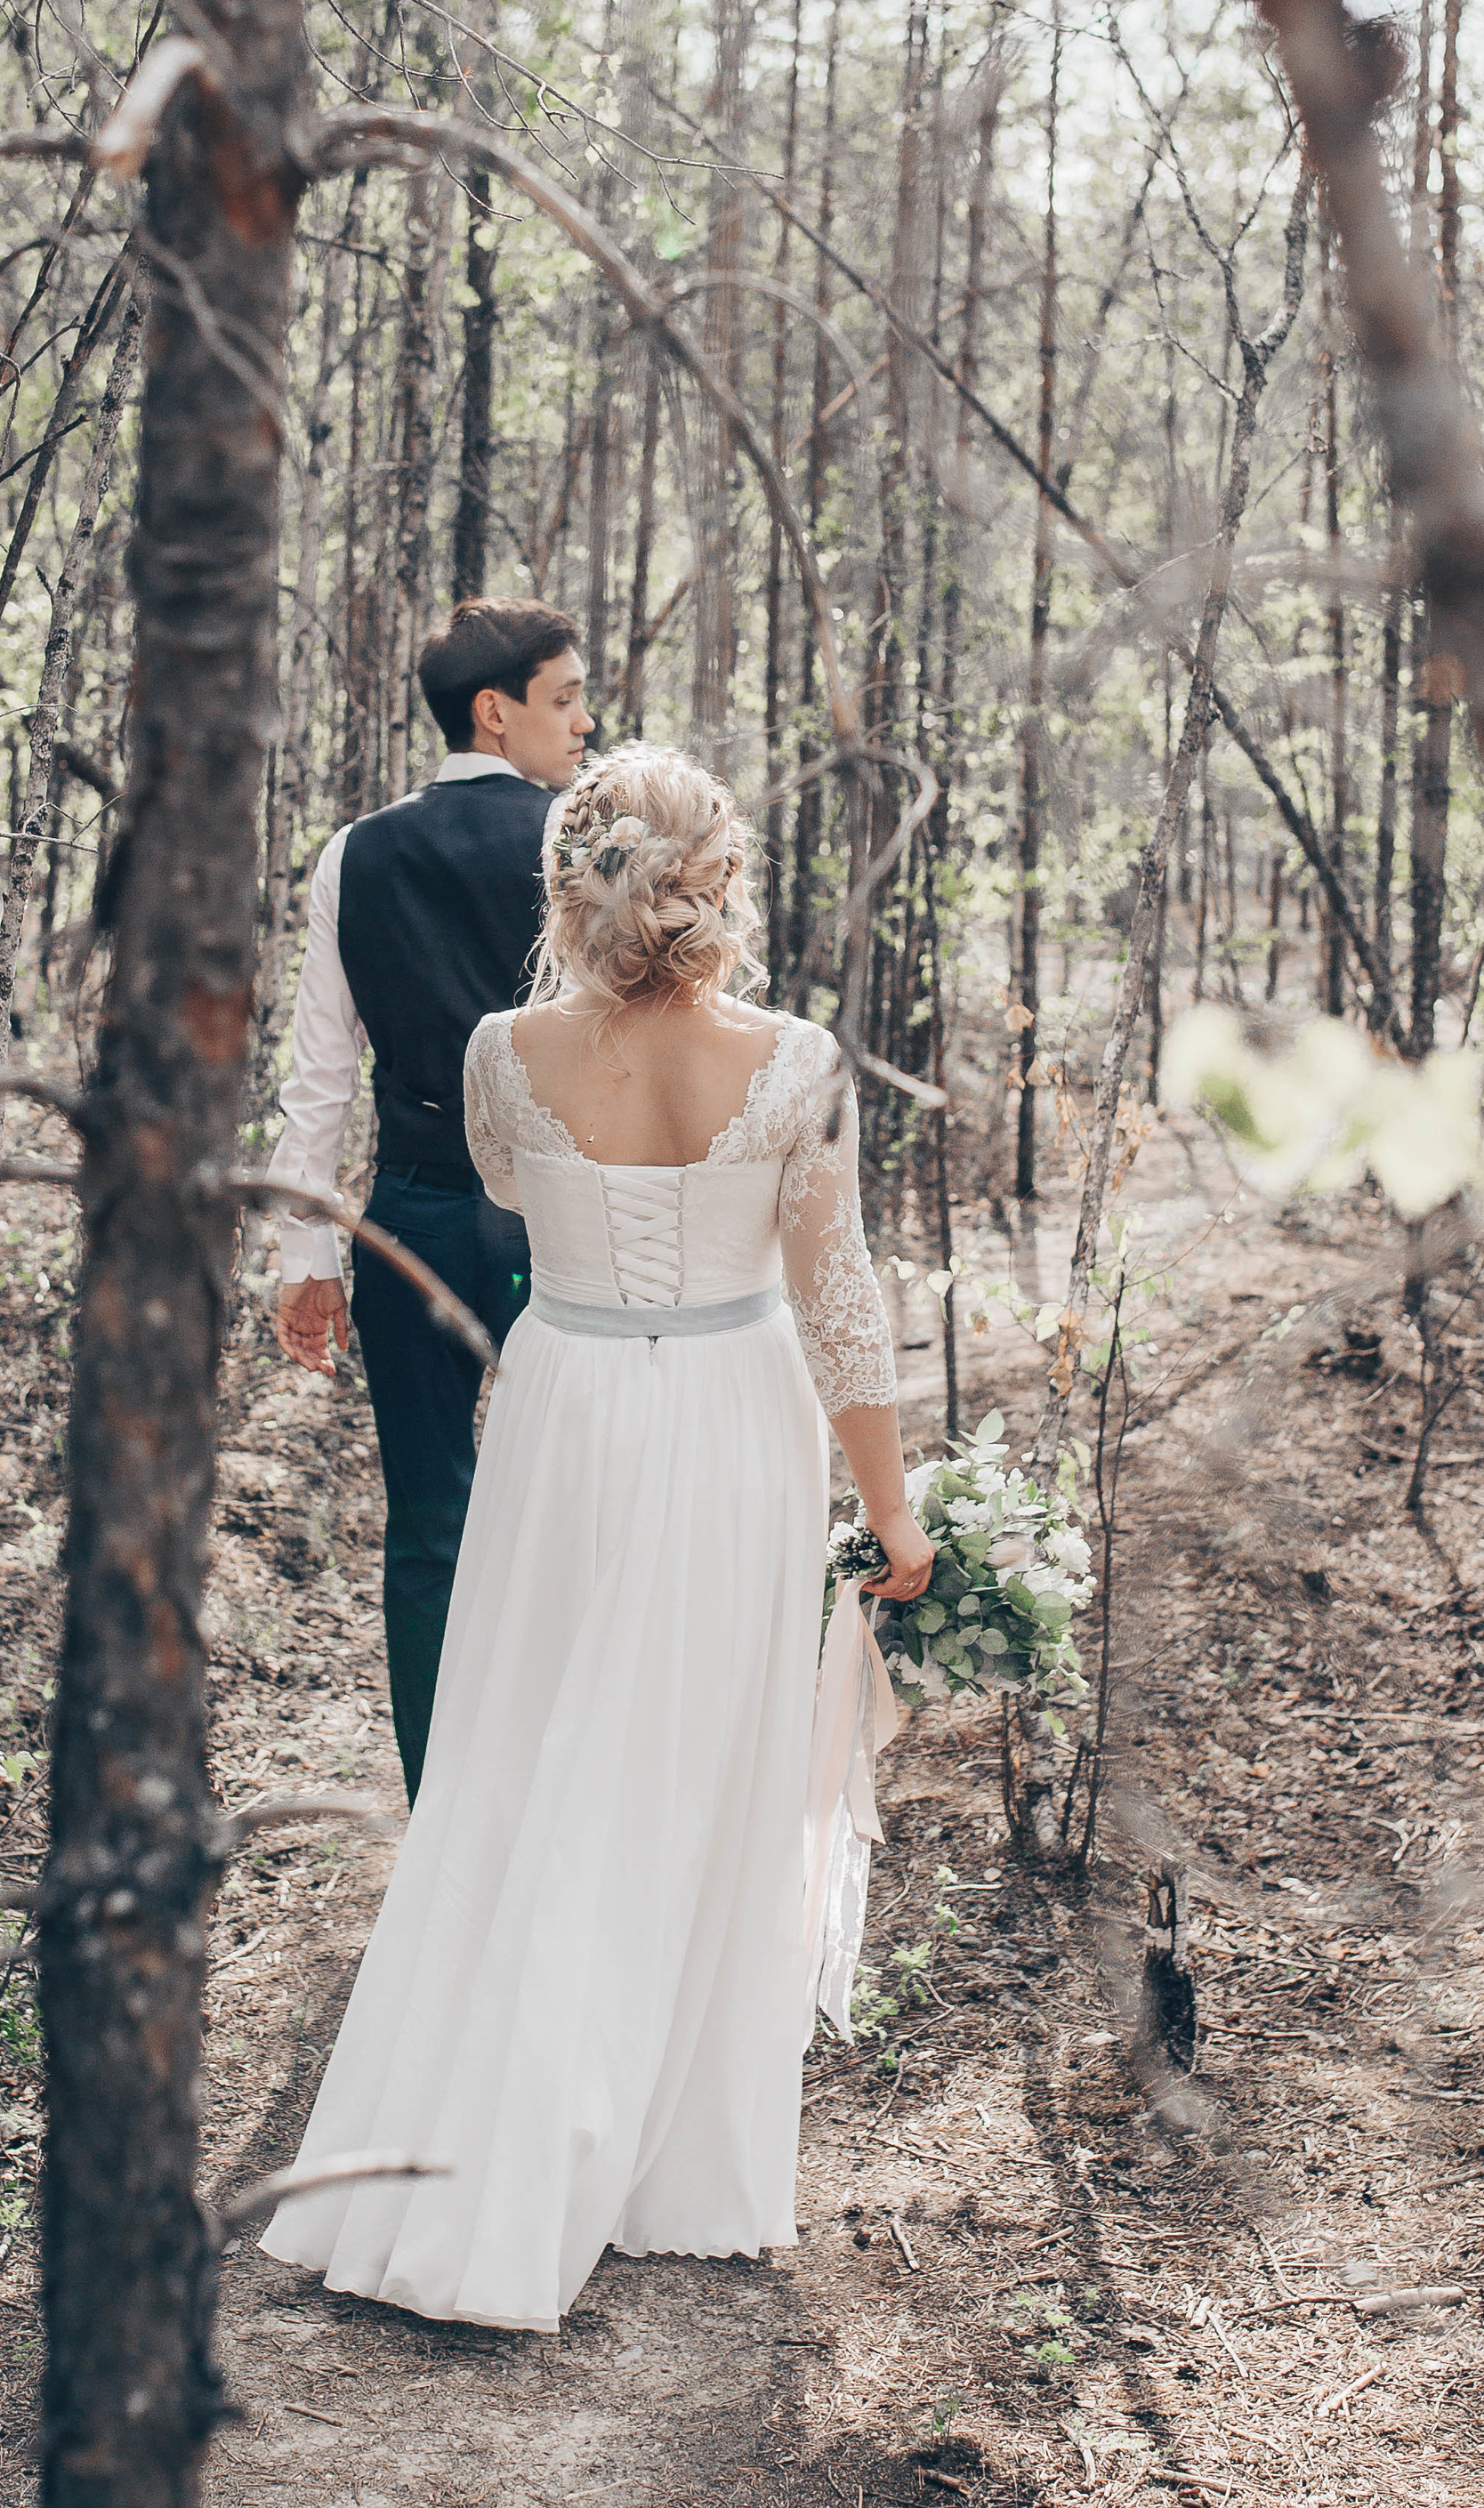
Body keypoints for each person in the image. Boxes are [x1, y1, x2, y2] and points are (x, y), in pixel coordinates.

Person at [261, 744, 936, 2333]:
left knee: (532, 1747)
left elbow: (505, 1185)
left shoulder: (502, 1052)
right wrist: (892, 1504)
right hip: (731, 1413)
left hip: (564, 1410)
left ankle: (518, 2129)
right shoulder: (799, 1057)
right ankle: (640, 2156)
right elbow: (838, 1300)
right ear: (723, 883)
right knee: (691, 1765)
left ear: (569, 886)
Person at [266, 596, 594, 1800]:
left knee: (428, 1529)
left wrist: (309, 1255)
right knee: (585, 1504)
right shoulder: (588, 840)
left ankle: (446, 1802)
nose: (585, 720)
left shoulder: (354, 854)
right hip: (569, 1220)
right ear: (494, 711)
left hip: (413, 1220)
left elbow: (320, 1074)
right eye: (565, 698)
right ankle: (572, 1784)